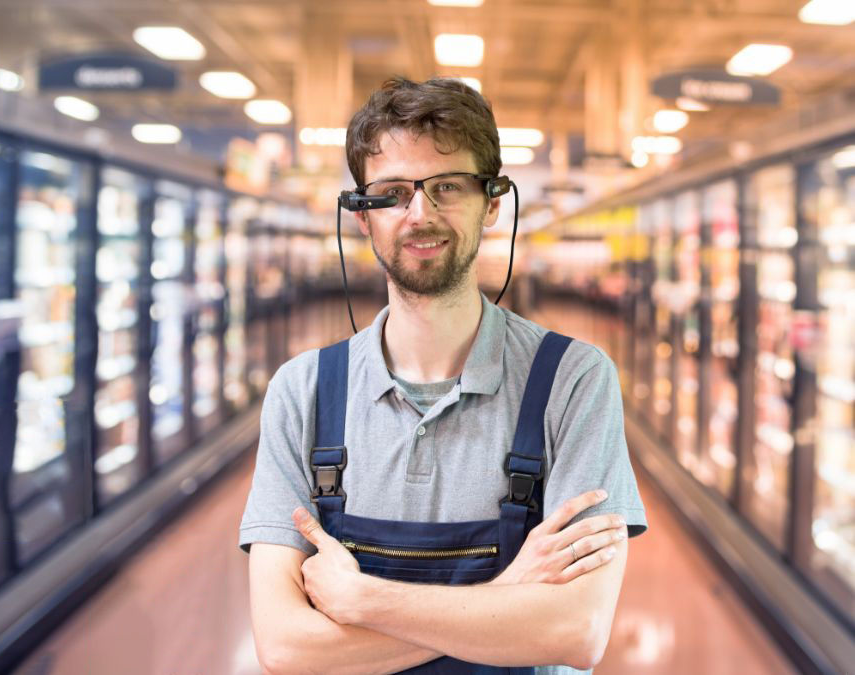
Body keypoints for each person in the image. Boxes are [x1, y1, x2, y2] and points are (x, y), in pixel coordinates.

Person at [239, 76, 647, 674]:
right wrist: (507, 597)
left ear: (492, 202)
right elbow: (285, 647)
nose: (420, 214)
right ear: (361, 217)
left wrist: (365, 601)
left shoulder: (573, 381)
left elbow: (575, 629)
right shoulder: (301, 392)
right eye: (393, 192)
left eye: (447, 186)